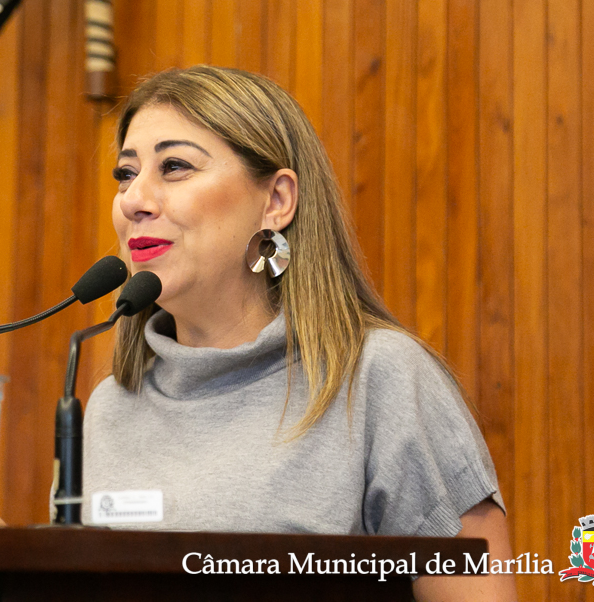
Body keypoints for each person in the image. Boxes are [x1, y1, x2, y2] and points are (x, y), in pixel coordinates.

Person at [82, 66, 516, 600]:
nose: (133, 200)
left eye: (174, 166)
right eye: (125, 174)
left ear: (276, 201)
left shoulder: (377, 379)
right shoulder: (109, 408)